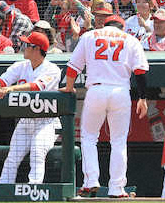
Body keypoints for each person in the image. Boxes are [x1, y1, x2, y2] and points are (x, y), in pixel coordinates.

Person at [64, 13, 149, 197]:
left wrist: (69, 88)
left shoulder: (90, 36)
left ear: (105, 25)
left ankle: (91, 181)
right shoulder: (130, 39)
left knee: (89, 137)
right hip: (120, 92)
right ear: (121, 27)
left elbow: (72, 68)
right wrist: (142, 98)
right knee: (118, 142)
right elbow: (140, 72)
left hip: (96, 89)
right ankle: (117, 189)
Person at [0, 31, 61, 184]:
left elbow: (37, 86)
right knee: (12, 157)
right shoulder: (21, 65)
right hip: (25, 121)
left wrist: (12, 89)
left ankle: (34, 189)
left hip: (46, 122)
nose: (24, 47)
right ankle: (3, 189)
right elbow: (4, 80)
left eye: (27, 45)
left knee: (38, 152)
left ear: (37, 49)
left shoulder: (53, 69)